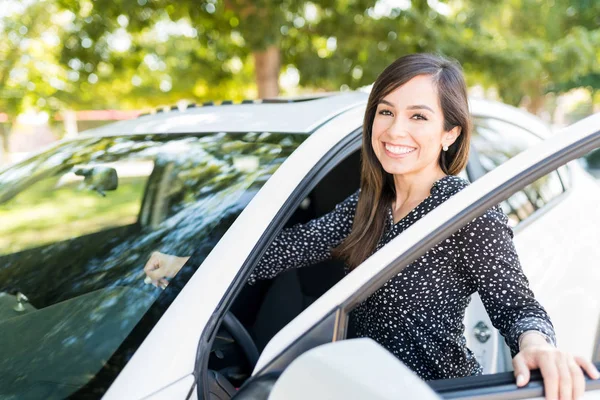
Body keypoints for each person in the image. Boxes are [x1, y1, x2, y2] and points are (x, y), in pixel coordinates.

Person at [145, 53, 599, 399]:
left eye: (418, 116)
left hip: (434, 391)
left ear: (450, 133)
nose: (394, 129)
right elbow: (281, 250)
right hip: (360, 385)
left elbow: (517, 306)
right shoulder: (370, 205)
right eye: (386, 111)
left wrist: (537, 345)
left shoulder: (466, 210)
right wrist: (187, 265)